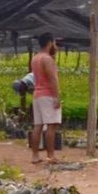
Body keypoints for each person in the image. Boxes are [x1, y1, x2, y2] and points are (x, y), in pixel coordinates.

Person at [29, 32, 62, 164]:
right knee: (51, 125)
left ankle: (35, 155)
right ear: (49, 43)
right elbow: (52, 78)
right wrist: (56, 96)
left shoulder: (36, 58)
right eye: (54, 43)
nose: (55, 45)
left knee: (38, 126)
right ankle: (51, 155)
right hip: (47, 95)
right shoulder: (47, 59)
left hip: (37, 94)